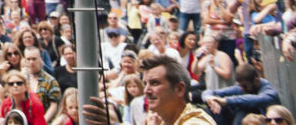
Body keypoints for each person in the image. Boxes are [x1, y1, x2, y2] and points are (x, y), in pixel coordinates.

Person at [84, 56, 214, 125]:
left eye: (155, 83)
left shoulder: (196, 123)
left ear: (179, 89)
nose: (146, 91)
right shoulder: (166, 121)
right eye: (145, 84)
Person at [202, 64, 279, 125]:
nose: (242, 89)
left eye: (245, 86)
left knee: (245, 108)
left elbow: (257, 99)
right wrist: (209, 99)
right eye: (240, 86)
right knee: (214, 105)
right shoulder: (240, 88)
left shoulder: (269, 92)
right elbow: (210, 92)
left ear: (256, 80)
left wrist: (226, 101)